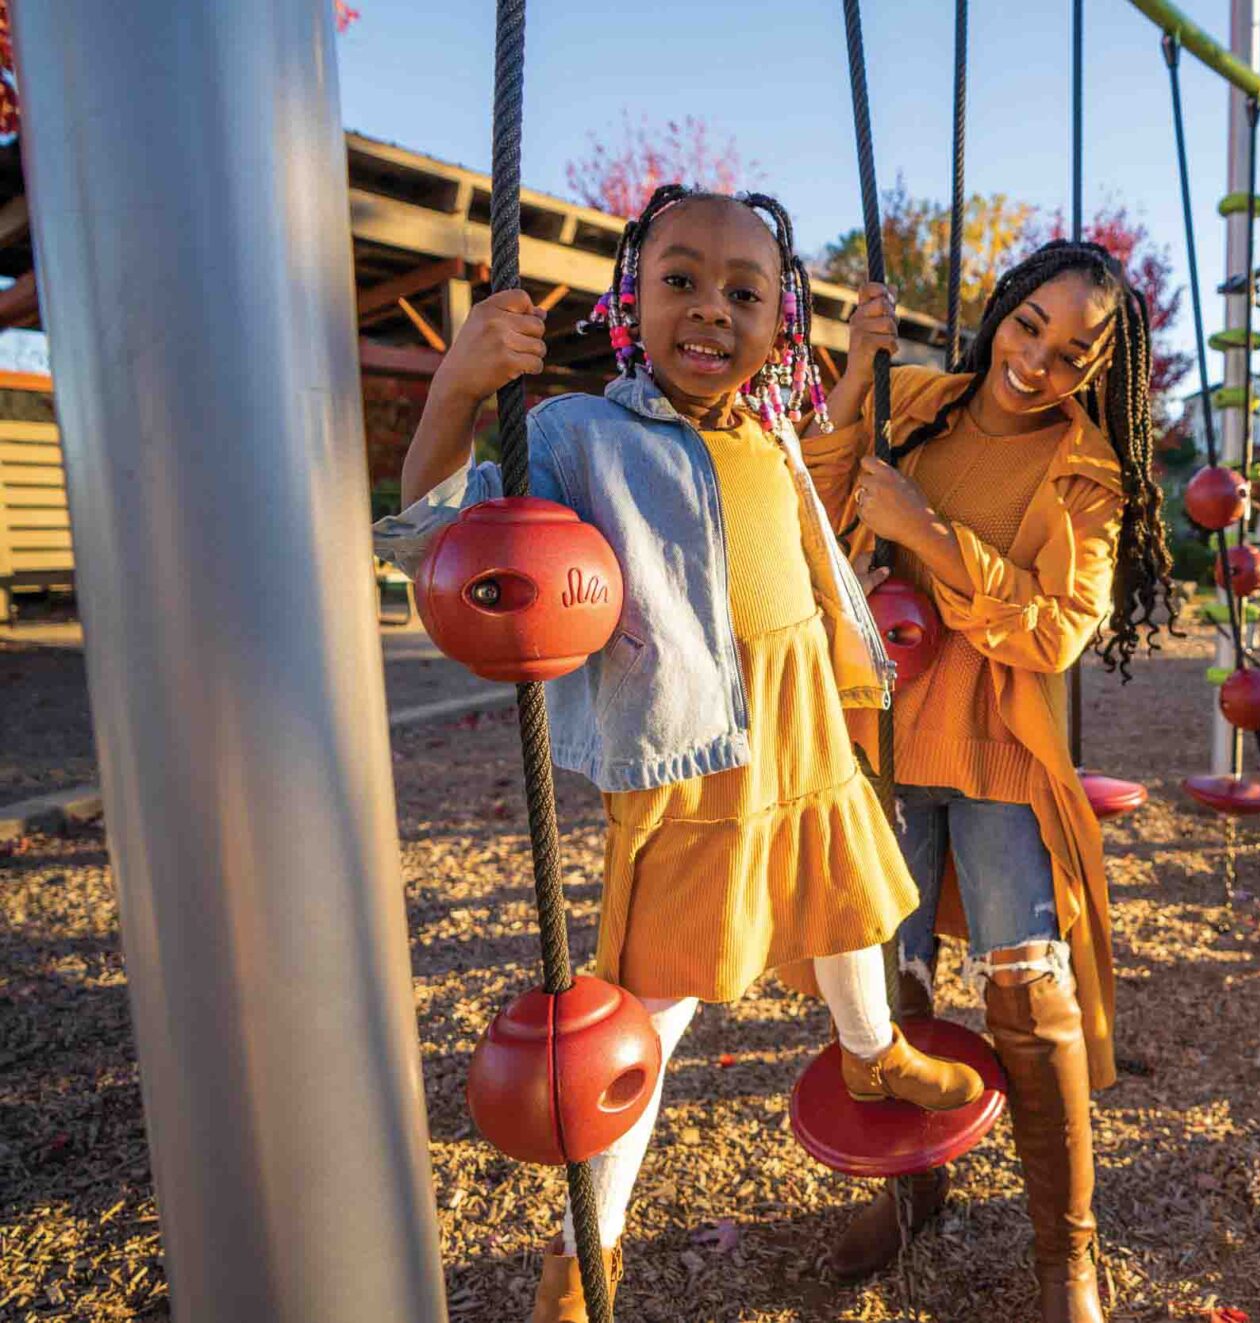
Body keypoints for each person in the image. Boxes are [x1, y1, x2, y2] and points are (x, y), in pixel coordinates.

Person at [375, 186, 983, 1323]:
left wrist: (857, 367)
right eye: (681, 282)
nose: (711, 310)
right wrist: (458, 387)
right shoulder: (576, 435)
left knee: (850, 903)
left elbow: (806, 533)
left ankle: (872, 1053)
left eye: (744, 292)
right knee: (639, 1026)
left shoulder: (765, 429)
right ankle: (582, 1251)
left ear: (779, 320)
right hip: (689, 759)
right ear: (631, 299)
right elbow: (445, 542)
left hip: (805, 722)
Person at [801, 240, 1174, 1323]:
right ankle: (915, 1193)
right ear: (1001, 310)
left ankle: (1067, 1254)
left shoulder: (1088, 474)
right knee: (888, 987)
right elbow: (816, 521)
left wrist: (932, 537)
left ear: (1101, 369)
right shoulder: (913, 403)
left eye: (1072, 352)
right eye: (1028, 326)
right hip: (880, 745)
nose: (1038, 361)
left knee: (1029, 992)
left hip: (999, 756)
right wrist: (855, 377)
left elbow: (1054, 632)